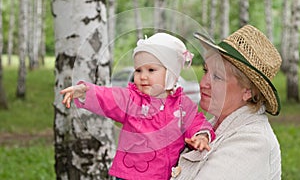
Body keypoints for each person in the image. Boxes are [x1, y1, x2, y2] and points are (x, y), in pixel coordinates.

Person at [60, 33, 216, 180]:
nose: (143, 76)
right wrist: (85, 91)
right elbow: (108, 97)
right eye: (138, 70)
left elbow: (197, 121)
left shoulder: (183, 106)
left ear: (171, 74)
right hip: (129, 175)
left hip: (166, 175)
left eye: (151, 70)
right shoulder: (131, 99)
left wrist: (202, 136)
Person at [171, 25, 282, 180]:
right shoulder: (214, 125)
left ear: (248, 91)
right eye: (206, 71)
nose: (203, 83)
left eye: (217, 77)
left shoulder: (253, 142)